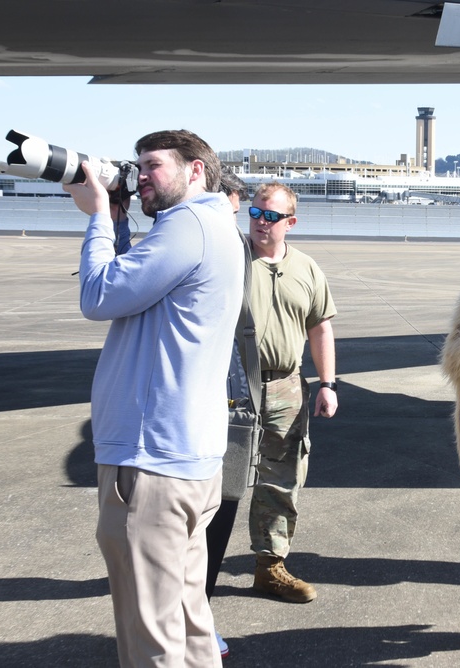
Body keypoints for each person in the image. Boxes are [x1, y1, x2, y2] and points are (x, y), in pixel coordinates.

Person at [64, 129, 244, 667]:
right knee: (188, 626)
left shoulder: (187, 225)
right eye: (137, 166)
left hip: (151, 464)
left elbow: (99, 296)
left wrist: (99, 215)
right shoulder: (215, 227)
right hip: (186, 458)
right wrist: (118, 224)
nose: (141, 175)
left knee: (151, 636)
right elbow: (133, 292)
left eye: (154, 165)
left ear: (195, 171)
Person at [245, 181, 338, 604]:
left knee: (281, 480)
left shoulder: (307, 268)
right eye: (255, 212)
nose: (261, 222)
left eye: (271, 216)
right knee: (212, 479)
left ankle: (270, 567)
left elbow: (320, 327)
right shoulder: (230, 258)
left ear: (290, 222)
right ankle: (190, 570)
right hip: (231, 386)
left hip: (286, 385)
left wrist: (327, 383)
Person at [205, 165, 251, 660]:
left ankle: (196, 614)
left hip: (233, 399)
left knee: (222, 509)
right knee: (202, 521)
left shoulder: (228, 243)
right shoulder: (200, 241)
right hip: (216, 399)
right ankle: (192, 619)